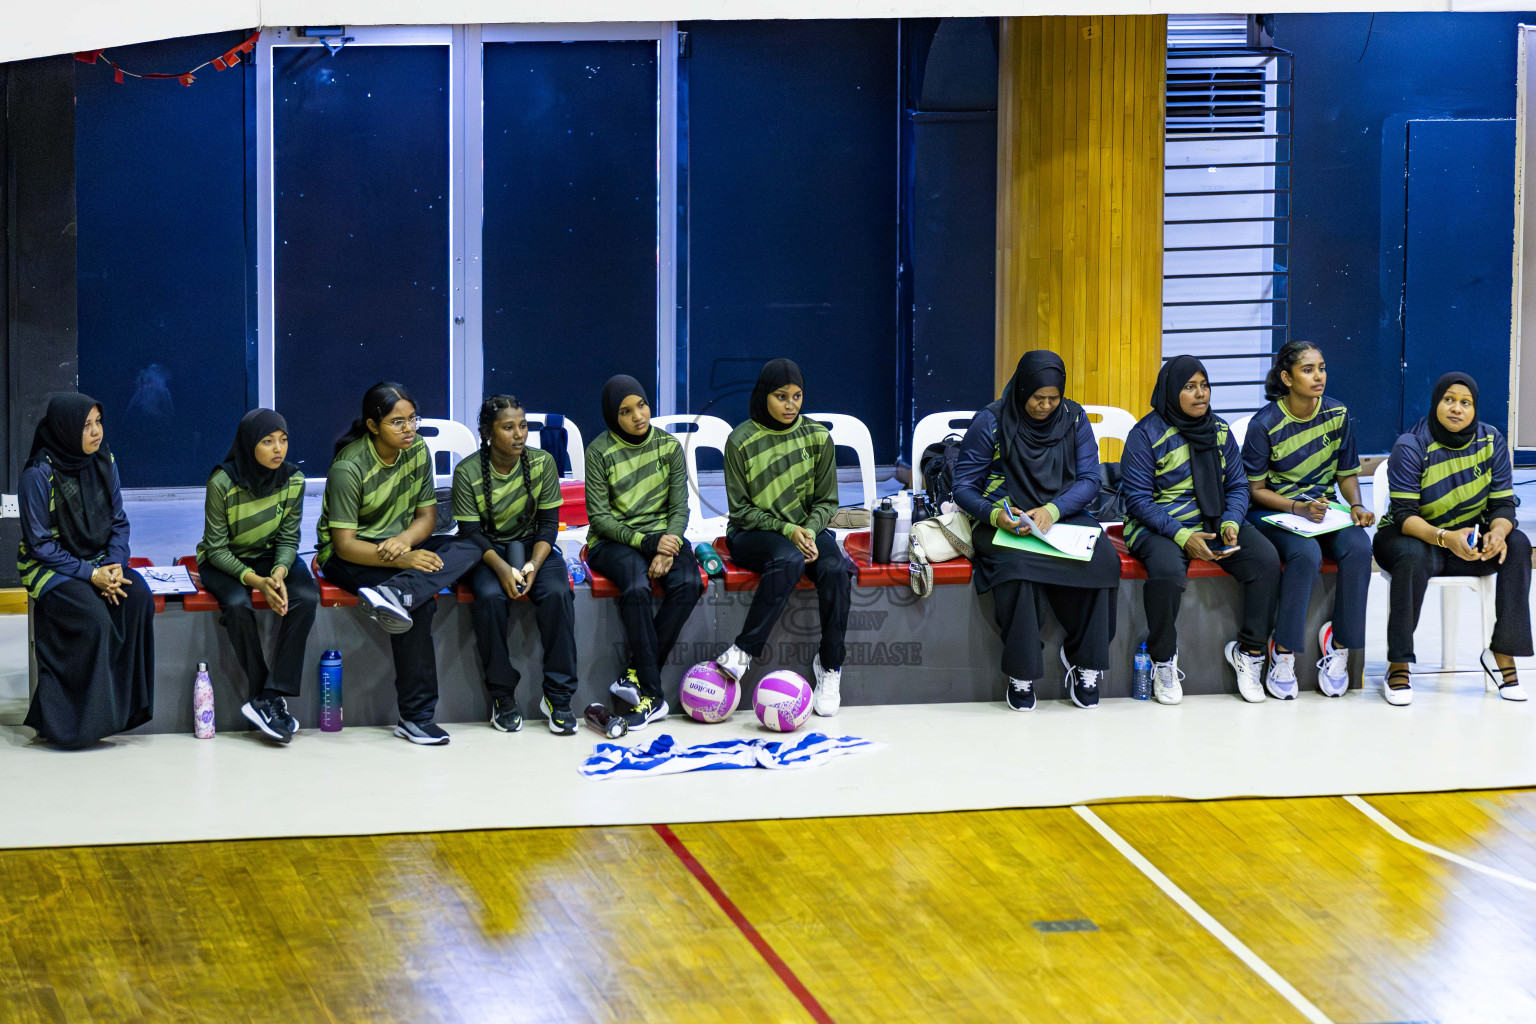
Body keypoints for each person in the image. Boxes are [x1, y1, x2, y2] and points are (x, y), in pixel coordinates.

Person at [315, 382, 482, 745]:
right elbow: (344, 545)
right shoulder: (349, 466)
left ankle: (396, 592)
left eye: (412, 419)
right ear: (373, 426)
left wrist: (405, 542)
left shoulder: (417, 449)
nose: (409, 428)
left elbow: (427, 517)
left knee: (472, 546)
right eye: (397, 422)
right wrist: (403, 559)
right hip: (351, 556)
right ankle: (416, 718)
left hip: (400, 545)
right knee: (418, 605)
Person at [952, 351, 1121, 710]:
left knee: (1104, 559)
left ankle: (1085, 662)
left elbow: (1090, 480)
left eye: (1053, 398)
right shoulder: (992, 421)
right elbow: (963, 487)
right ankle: (1022, 672)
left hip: (1062, 515)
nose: (1045, 406)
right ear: (1022, 389)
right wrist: (995, 515)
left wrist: (1052, 510)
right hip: (1005, 518)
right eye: (1037, 398)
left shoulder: (1074, 417)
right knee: (1018, 569)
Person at [1121, 356, 1282, 704]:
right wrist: (1182, 536)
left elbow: (1237, 485)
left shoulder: (1219, 430)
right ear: (1170, 392)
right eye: (1190, 387)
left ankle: (1250, 651)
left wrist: (1231, 521)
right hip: (1159, 525)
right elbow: (1137, 500)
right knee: (1166, 571)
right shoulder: (1145, 435)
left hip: (1214, 520)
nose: (1201, 394)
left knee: (1266, 560)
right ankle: (1163, 659)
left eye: (1204, 385)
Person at [1372, 372, 1530, 705]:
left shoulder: (1491, 441)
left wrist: (1498, 532)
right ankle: (1398, 664)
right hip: (1413, 538)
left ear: (1474, 408)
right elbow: (1403, 515)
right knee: (1412, 555)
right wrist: (1445, 537)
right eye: (1449, 400)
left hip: (1466, 543)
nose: (1457, 408)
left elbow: (1503, 504)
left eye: (1465, 403)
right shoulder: (1412, 444)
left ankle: (1501, 655)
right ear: (1436, 403)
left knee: (1516, 544)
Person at [714, 359, 852, 716]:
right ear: (764, 395)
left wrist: (809, 529)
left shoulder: (818, 437)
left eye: (797, 396)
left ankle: (831, 665)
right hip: (752, 533)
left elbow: (827, 501)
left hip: (807, 528)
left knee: (835, 568)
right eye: (781, 396)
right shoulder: (740, 440)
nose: (791, 405)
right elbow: (740, 510)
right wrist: (788, 530)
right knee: (787, 557)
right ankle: (744, 651)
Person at [17, 394, 154, 747]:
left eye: (98, 422)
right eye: (86, 425)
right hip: (49, 565)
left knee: (139, 597)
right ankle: (68, 722)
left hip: (99, 559)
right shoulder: (38, 474)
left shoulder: (105, 460)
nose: (96, 432)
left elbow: (119, 521)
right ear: (65, 429)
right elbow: (40, 546)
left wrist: (113, 565)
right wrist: (91, 575)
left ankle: (122, 712)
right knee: (93, 618)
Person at [1242, 341, 1373, 698]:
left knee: (1360, 548)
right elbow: (1254, 490)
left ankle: (1339, 646)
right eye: (1308, 369)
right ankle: (1283, 651)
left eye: (1322, 368)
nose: (1319, 376)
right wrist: (1296, 508)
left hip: (1323, 511)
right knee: (1306, 554)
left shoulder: (1338, 414)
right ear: (1287, 378)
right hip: (1274, 511)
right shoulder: (1264, 424)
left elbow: (1346, 473)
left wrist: (1356, 505)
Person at [454, 395, 580, 735]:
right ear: (487, 433)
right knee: (490, 598)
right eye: (508, 427)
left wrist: (533, 565)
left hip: (534, 547)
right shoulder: (467, 471)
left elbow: (549, 526)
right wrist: (501, 568)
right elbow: (470, 533)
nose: (519, 434)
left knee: (558, 593)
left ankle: (558, 696)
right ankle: (502, 695)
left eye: (522, 426)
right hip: (486, 551)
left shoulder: (542, 463)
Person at [584, 375, 704, 730]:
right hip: (613, 541)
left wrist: (669, 545)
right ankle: (654, 695)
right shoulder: (599, 451)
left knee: (689, 583)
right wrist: (647, 543)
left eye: (641, 405)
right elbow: (600, 518)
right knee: (636, 586)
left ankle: (634, 672)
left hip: (663, 539)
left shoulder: (668, 446)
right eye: (625, 411)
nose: (638, 416)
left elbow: (679, 508)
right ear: (613, 416)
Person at [196, 409, 317, 743]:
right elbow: (216, 548)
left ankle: (269, 696)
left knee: (307, 596)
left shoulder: (294, 480)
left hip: (269, 556)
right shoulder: (222, 482)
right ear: (249, 444)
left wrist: (278, 573)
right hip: (223, 560)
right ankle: (263, 694)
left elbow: (288, 539)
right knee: (237, 604)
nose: (278, 449)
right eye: (267, 441)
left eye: (283, 440)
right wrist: (257, 582)